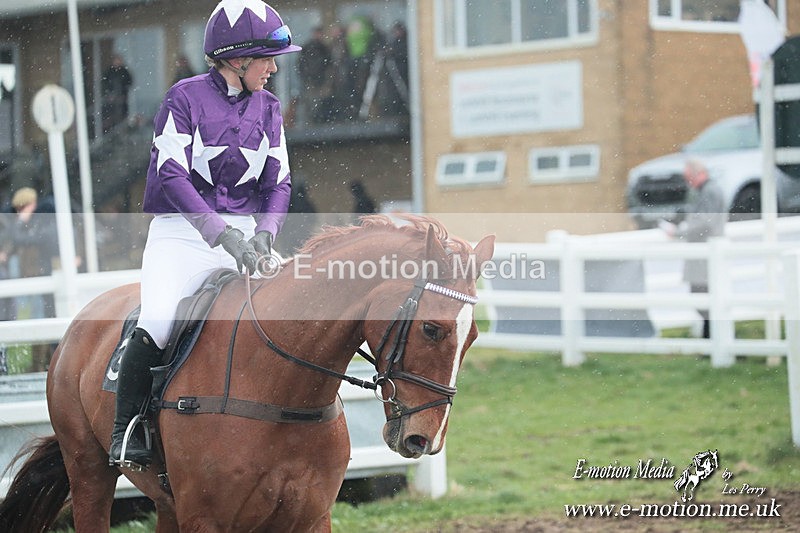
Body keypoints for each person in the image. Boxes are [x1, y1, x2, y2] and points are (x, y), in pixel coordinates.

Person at [108, 0, 301, 470]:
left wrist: (266, 233)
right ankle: (127, 429)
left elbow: (279, 183)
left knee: (288, 317)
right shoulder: (184, 98)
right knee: (158, 321)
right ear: (238, 59)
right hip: (182, 234)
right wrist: (219, 233)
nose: (274, 69)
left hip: (246, 235)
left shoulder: (270, 108)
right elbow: (171, 175)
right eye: (267, 59)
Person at [660, 158, 726, 338]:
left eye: (689, 177)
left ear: (698, 174)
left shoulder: (709, 191)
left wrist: (678, 232)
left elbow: (705, 222)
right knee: (705, 301)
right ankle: (713, 340)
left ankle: (714, 340)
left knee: (704, 300)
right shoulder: (707, 191)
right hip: (704, 255)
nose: (688, 182)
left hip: (704, 255)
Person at [7, 187, 60, 370]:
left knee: (46, 321)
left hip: (47, 279)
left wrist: (21, 222)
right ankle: (45, 363)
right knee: (44, 320)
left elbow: (22, 239)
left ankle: (48, 363)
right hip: (42, 278)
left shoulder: (43, 222)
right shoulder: (41, 221)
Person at [297, 26, 333, 123]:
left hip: (319, 80)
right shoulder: (308, 48)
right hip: (311, 80)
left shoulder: (324, 49)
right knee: (310, 102)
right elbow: (301, 65)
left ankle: (316, 120)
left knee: (319, 102)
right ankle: (312, 120)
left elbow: (329, 66)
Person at [101, 54, 134, 133]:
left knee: (122, 115)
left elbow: (129, 82)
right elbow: (104, 83)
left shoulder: (124, 72)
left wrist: (123, 94)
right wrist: (109, 94)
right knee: (111, 115)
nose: (117, 62)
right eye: (116, 60)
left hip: (122, 98)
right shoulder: (109, 72)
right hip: (111, 100)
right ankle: (112, 131)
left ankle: (122, 130)